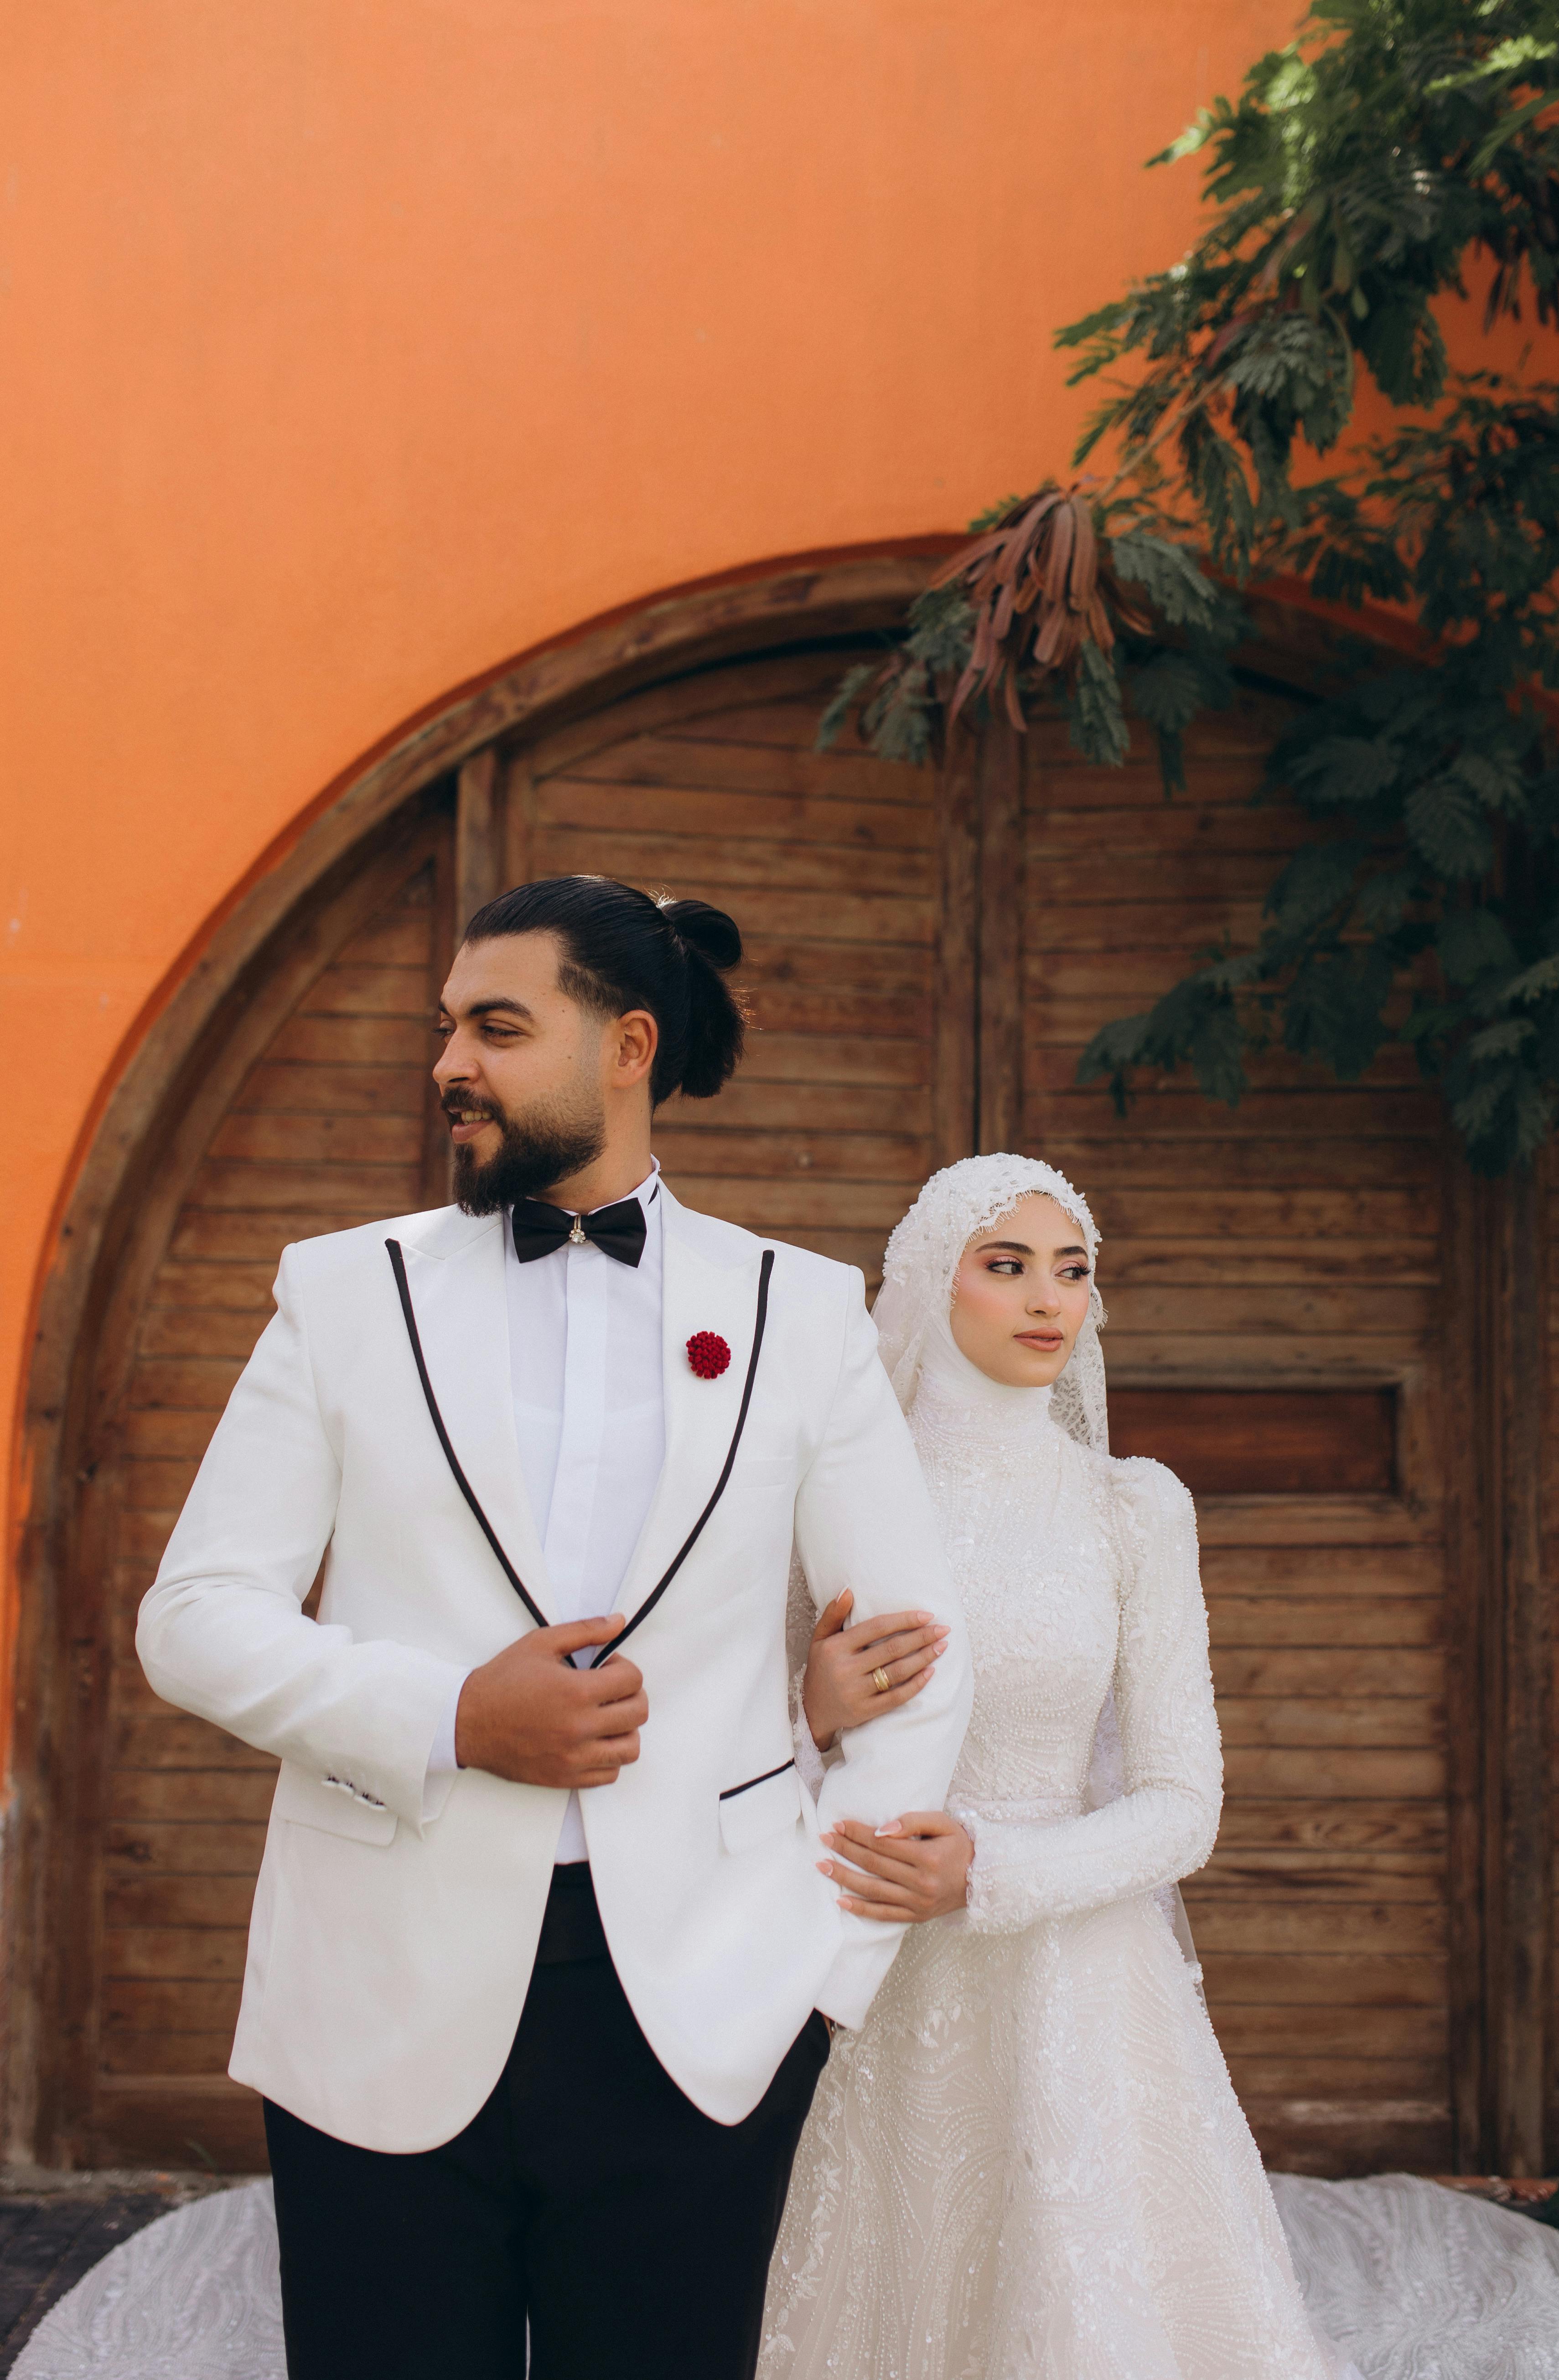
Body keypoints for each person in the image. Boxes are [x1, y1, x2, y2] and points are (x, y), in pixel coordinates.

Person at [136, 876, 972, 2380]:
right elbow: (193, 1620)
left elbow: (915, 1651)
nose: (448, 1061)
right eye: (447, 1028)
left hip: (704, 2013)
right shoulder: (341, 1294)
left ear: (628, 1045)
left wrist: (817, 1978)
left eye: (496, 1027)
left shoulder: (803, 1309)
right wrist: (452, 1714)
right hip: (377, 1989)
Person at [760, 1152, 1355, 2380]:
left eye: (1072, 1271)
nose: (1047, 1300)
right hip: (870, 1965)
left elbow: (1183, 1804)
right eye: (1007, 1266)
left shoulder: (1133, 1508)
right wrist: (806, 1712)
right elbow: (729, 1748)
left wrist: (990, 1870)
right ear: (933, 1286)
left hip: (1078, 1981)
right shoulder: (825, 1498)